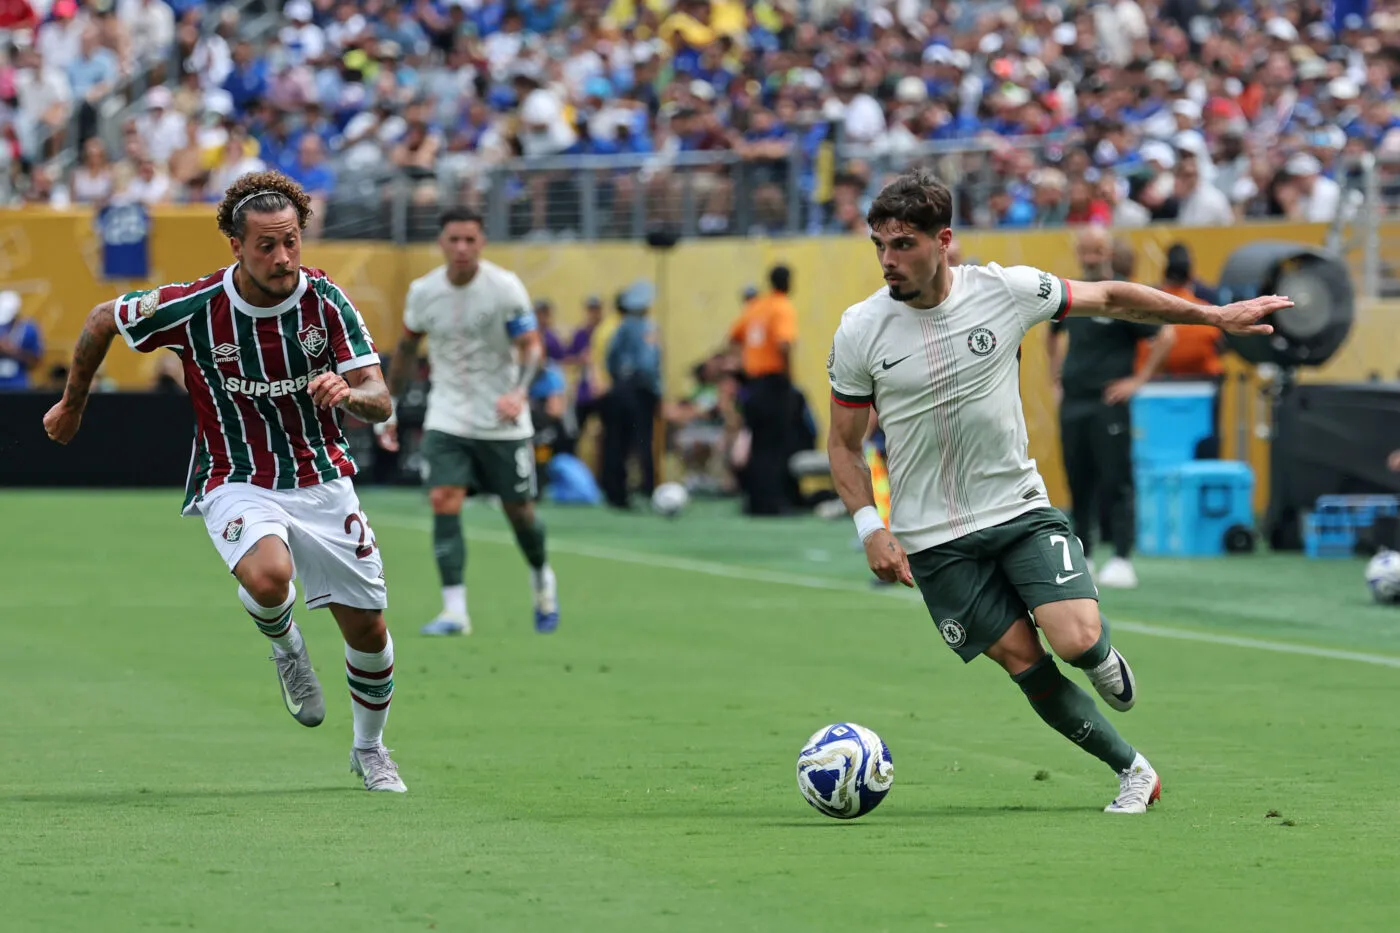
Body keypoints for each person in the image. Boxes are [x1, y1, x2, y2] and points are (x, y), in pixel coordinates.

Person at [826, 169, 1289, 814]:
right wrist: (870, 528)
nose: (887, 261)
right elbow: (844, 446)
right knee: (1025, 662)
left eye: (902, 244)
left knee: (1073, 639)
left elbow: (1112, 298)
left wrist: (1211, 316)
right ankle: (1134, 772)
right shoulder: (859, 330)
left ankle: (1099, 657)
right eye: (879, 245)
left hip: (1017, 508)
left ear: (944, 240)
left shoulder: (1006, 291)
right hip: (933, 540)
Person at [41, 171, 407, 793]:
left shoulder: (326, 302)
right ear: (236, 245)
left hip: (322, 480)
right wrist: (73, 404)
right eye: (265, 245)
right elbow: (104, 318)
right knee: (269, 576)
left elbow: (381, 396)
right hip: (233, 475)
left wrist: (350, 393)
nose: (282, 256)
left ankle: (369, 749)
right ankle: (286, 642)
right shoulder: (196, 305)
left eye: (291, 241)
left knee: (368, 630)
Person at [377, 207, 558, 637]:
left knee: (520, 513)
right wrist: (389, 407)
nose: (461, 248)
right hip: (448, 413)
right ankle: (455, 611)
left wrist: (520, 391)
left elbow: (532, 347)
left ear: (482, 243)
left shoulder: (504, 288)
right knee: (444, 498)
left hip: (502, 417)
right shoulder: (423, 292)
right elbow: (406, 351)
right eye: (453, 239)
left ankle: (541, 576)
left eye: (469, 240)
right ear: (441, 243)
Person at [1047, 228, 1176, 590]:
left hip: (1108, 403)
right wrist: (1055, 377)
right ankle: (1083, 553)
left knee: (1115, 479)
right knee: (1077, 478)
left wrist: (1138, 381)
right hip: (1074, 400)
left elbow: (1165, 335)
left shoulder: (1121, 296)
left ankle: (1121, 556)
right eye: (1085, 251)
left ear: (1108, 252)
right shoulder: (1069, 293)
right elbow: (1052, 334)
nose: (1090, 258)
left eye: (1097, 251)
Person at [727, 264, 799, 515]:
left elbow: (734, 335)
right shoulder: (782, 307)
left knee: (758, 444)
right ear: (788, 282)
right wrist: (789, 376)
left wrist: (742, 360)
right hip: (773, 381)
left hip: (753, 384)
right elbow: (783, 343)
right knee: (775, 444)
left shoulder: (757, 306)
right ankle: (772, 502)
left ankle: (754, 500)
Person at [600, 280, 662, 510]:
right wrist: (655, 390)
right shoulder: (648, 327)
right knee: (643, 440)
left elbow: (611, 359)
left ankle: (615, 491)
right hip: (640, 390)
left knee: (616, 442)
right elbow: (648, 362)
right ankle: (648, 488)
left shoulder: (621, 327)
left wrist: (618, 379)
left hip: (619, 389)